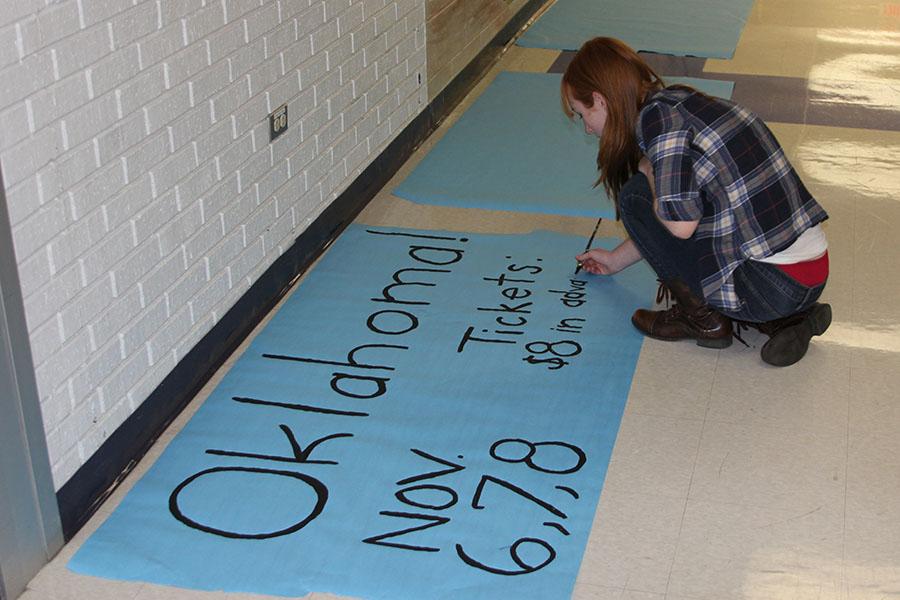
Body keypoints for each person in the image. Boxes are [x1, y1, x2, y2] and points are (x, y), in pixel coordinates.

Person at [563, 37, 831, 366]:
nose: (588, 129)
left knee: (636, 195)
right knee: (662, 197)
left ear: (599, 101)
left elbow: (680, 226)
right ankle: (787, 319)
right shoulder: (678, 101)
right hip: (809, 275)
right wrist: (616, 260)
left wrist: (648, 173)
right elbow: (695, 210)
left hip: (771, 283)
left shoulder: (658, 125)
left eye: (580, 114)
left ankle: (705, 320)